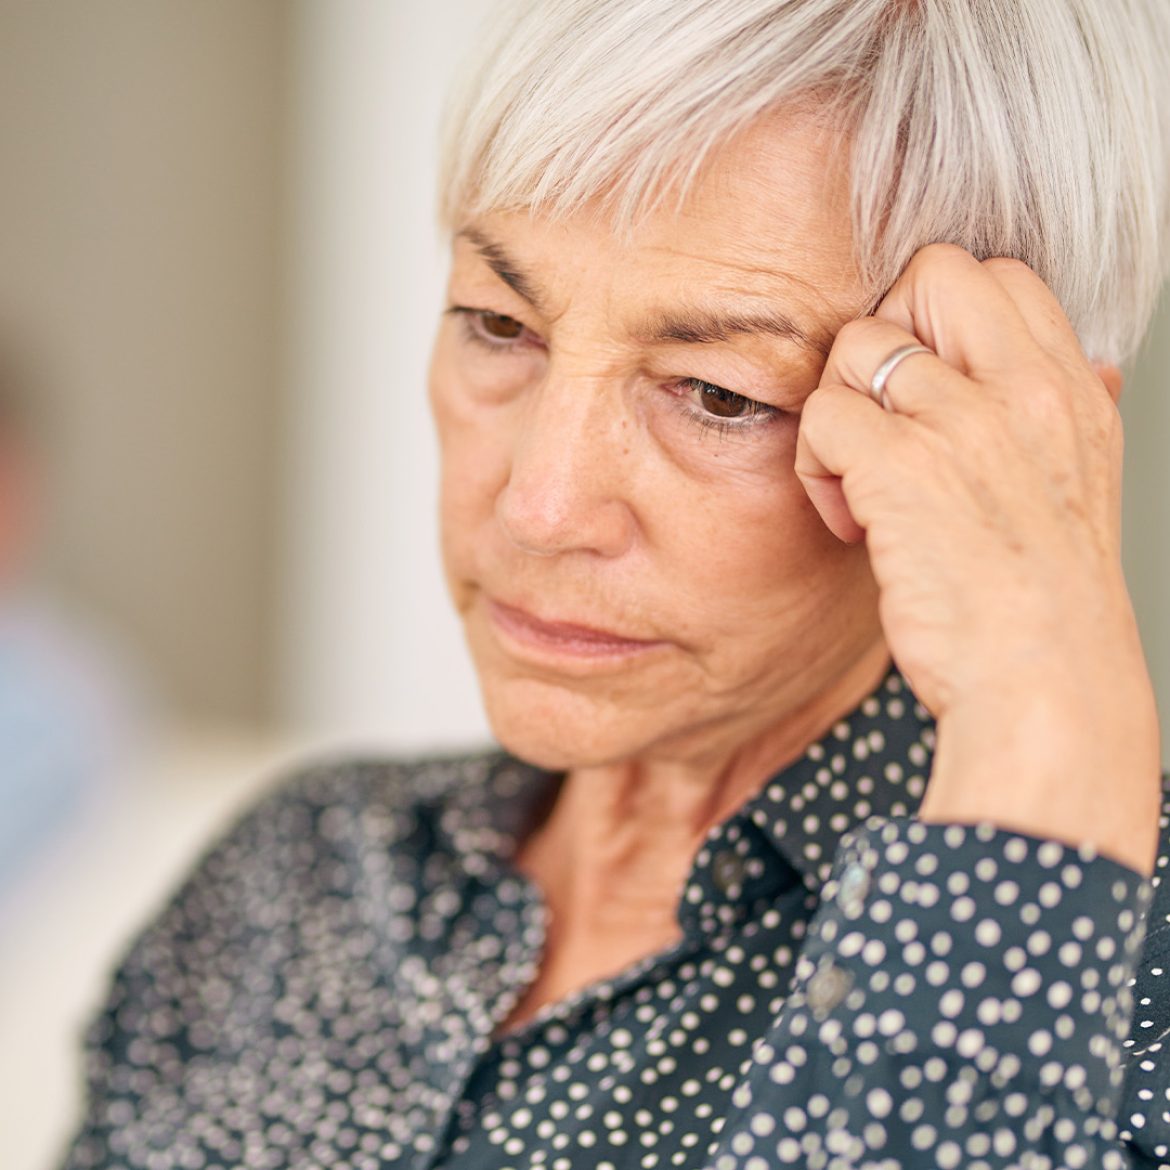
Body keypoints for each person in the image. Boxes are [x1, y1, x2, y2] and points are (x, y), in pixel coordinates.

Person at [63, 1, 1170, 1166]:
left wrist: (1045, 735)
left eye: (721, 393)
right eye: (498, 324)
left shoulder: (1128, 989)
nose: (539, 507)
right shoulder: (303, 876)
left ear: (1026, 441)